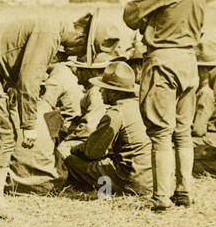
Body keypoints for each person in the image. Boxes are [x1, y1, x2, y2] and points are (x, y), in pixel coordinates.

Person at [0, 12, 102, 217]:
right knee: (4, 135)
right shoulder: (49, 33)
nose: (73, 52)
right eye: (80, 48)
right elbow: (29, 80)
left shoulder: (46, 25)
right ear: (80, 36)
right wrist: (29, 125)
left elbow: (13, 63)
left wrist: (11, 90)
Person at [123, 0, 206, 212]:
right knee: (182, 132)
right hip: (189, 62)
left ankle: (161, 199)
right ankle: (185, 191)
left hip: (164, 61)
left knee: (160, 133)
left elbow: (130, 14)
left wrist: (146, 20)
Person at [64, 61, 152, 196]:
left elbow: (92, 152)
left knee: (72, 162)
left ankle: (101, 188)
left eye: (104, 88)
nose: (100, 91)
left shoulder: (115, 114)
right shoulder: (141, 107)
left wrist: (74, 149)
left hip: (131, 181)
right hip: (153, 179)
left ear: (114, 93)